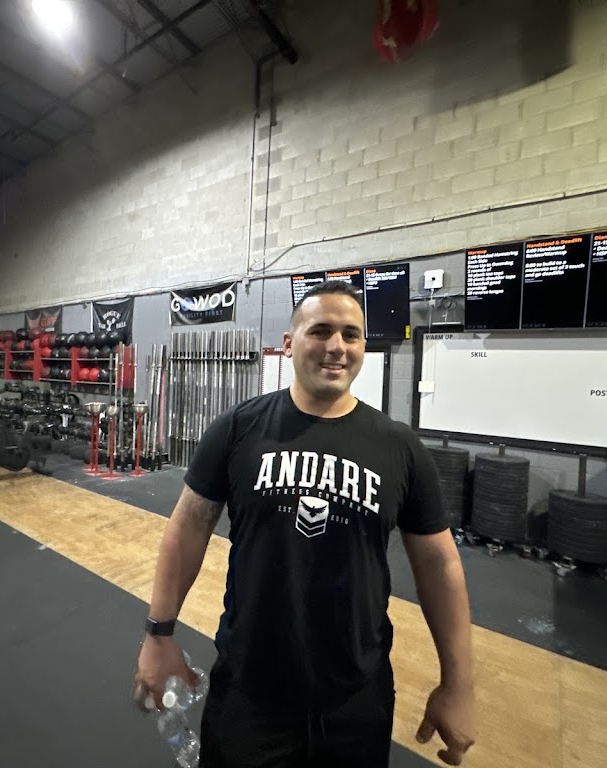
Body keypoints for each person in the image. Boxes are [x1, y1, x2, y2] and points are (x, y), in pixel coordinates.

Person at [132, 281, 476, 767]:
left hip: (356, 702)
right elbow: (187, 528)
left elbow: (440, 565)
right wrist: (158, 635)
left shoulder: (400, 447)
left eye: (351, 335)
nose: (337, 346)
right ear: (290, 344)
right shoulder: (239, 428)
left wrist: (458, 684)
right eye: (321, 331)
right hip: (250, 696)